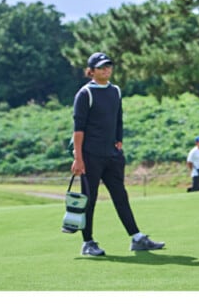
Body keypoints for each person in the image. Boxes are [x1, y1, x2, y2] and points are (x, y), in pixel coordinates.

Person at [70, 51, 164, 257]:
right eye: (102, 67)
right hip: (90, 155)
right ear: (91, 71)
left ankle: (137, 238)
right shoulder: (85, 94)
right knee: (89, 198)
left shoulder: (116, 91)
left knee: (120, 195)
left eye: (109, 66)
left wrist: (119, 140)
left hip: (112, 155)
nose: (107, 69)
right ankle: (88, 242)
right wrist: (78, 158)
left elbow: (118, 118)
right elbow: (78, 130)